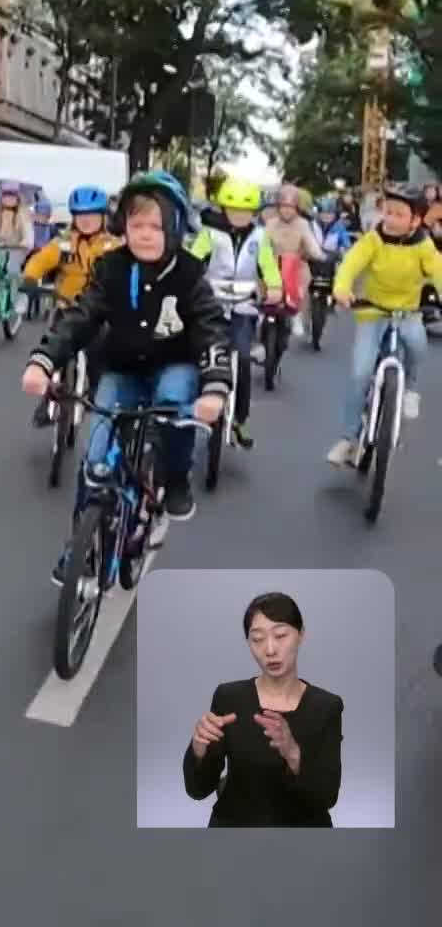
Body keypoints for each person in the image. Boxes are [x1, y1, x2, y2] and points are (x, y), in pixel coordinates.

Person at [21, 171, 229, 581]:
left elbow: (211, 327)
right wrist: (42, 360)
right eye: (137, 226)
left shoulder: (189, 274)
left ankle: (174, 475)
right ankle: (77, 545)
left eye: (156, 226)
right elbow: (80, 317)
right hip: (120, 369)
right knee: (95, 459)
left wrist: (216, 387)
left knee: (173, 402)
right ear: (123, 228)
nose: (146, 235)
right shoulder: (110, 267)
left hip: (175, 364)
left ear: (174, 229)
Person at [183, 592, 343, 827]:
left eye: (280, 635)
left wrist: (293, 754)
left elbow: (327, 797)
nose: (270, 649)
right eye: (257, 639)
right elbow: (198, 790)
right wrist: (198, 750)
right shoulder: (230, 697)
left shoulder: (326, 707)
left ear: (301, 634)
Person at [326, 184, 442, 466]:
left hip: (408, 312)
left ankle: (410, 389)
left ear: (415, 220)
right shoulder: (373, 240)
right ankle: (348, 439)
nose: (390, 219)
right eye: (387, 212)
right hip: (373, 311)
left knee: (417, 345)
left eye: (399, 215)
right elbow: (351, 263)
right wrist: (341, 287)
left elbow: (439, 271)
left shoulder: (423, 246)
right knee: (359, 373)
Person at [20, 184, 123, 426]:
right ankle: (47, 400)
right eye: (80, 216)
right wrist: (30, 277)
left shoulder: (112, 246)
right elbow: (40, 259)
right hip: (66, 306)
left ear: (103, 217)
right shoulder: (64, 242)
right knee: (53, 347)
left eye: (92, 215)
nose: (86, 221)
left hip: (98, 312)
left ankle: (98, 395)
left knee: (101, 350)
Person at [187, 175, 277, 449]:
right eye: (234, 209)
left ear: (254, 213)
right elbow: (192, 262)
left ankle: (239, 418)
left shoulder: (260, 237)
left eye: (246, 211)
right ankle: (191, 408)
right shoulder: (209, 233)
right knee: (197, 356)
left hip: (243, 305)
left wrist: (274, 287)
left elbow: (268, 266)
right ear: (223, 208)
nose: (240, 216)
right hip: (210, 305)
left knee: (242, 359)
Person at [263, 183, 327, 337]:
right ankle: (261, 311)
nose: (287, 210)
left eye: (290, 207)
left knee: (304, 279)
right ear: (278, 206)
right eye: (283, 206)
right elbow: (262, 243)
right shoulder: (271, 224)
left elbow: (311, 244)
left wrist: (320, 255)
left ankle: (296, 315)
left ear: (296, 208)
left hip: (296, 264)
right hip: (273, 263)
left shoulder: (303, 224)